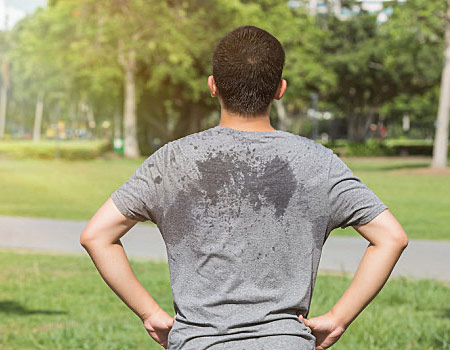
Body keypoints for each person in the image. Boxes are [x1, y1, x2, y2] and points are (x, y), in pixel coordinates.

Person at [80, 25, 408, 350]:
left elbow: (97, 236)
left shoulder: (173, 160)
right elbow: (391, 238)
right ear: (280, 89)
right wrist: (339, 317)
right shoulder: (317, 162)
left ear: (213, 86)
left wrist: (150, 314)